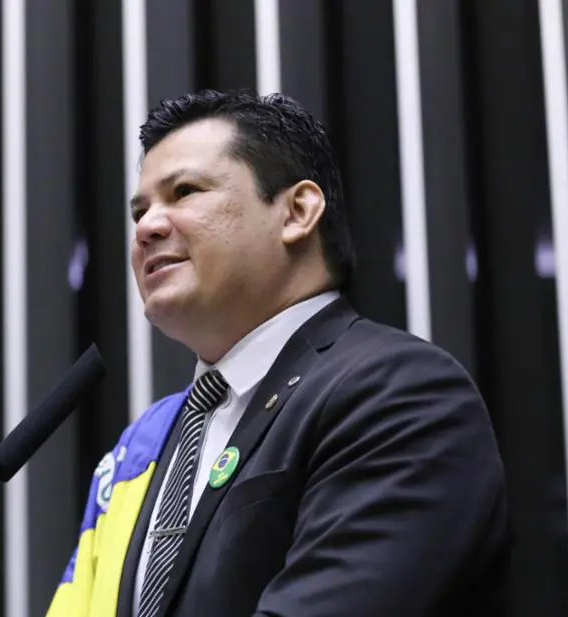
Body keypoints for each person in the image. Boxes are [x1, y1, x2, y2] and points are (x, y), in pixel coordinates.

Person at [46, 89, 509, 617]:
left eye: (185, 191)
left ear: (297, 211)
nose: (148, 228)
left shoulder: (400, 392)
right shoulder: (146, 446)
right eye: (140, 211)